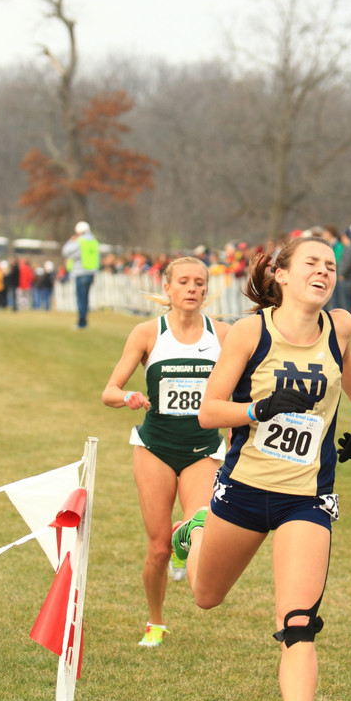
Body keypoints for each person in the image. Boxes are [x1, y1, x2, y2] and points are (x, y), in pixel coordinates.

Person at [170, 236, 351, 701]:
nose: (324, 271)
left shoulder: (340, 326)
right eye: (311, 263)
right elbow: (210, 413)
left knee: (299, 625)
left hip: (306, 499)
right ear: (282, 275)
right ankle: (194, 529)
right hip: (241, 490)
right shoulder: (251, 332)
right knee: (205, 596)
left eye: (330, 266)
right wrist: (258, 408)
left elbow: (345, 362)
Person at [101, 257, 231, 648]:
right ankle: (155, 622)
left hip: (204, 449)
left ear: (206, 291)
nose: (192, 288)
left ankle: (183, 538)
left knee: (201, 530)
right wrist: (128, 396)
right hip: (155, 447)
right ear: (168, 289)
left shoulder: (222, 334)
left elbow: (244, 385)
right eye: (184, 282)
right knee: (157, 548)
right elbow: (108, 391)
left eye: (199, 283)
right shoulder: (147, 333)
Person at [62, 220, 100, 329]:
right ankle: (84, 320)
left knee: (81, 299)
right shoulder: (94, 241)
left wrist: (71, 241)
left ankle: (81, 322)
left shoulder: (80, 241)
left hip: (80, 272)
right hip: (91, 273)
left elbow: (66, 252)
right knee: (86, 298)